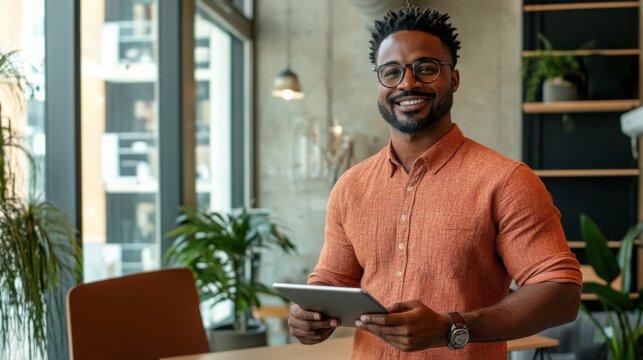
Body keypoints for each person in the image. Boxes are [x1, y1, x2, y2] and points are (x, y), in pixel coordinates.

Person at [287, 5, 582, 360]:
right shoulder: (350, 186)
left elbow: (562, 294)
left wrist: (450, 327)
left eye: (426, 69)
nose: (407, 83)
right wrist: (308, 314)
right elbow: (331, 279)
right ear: (378, 83)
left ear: (453, 79)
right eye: (391, 72)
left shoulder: (506, 181)